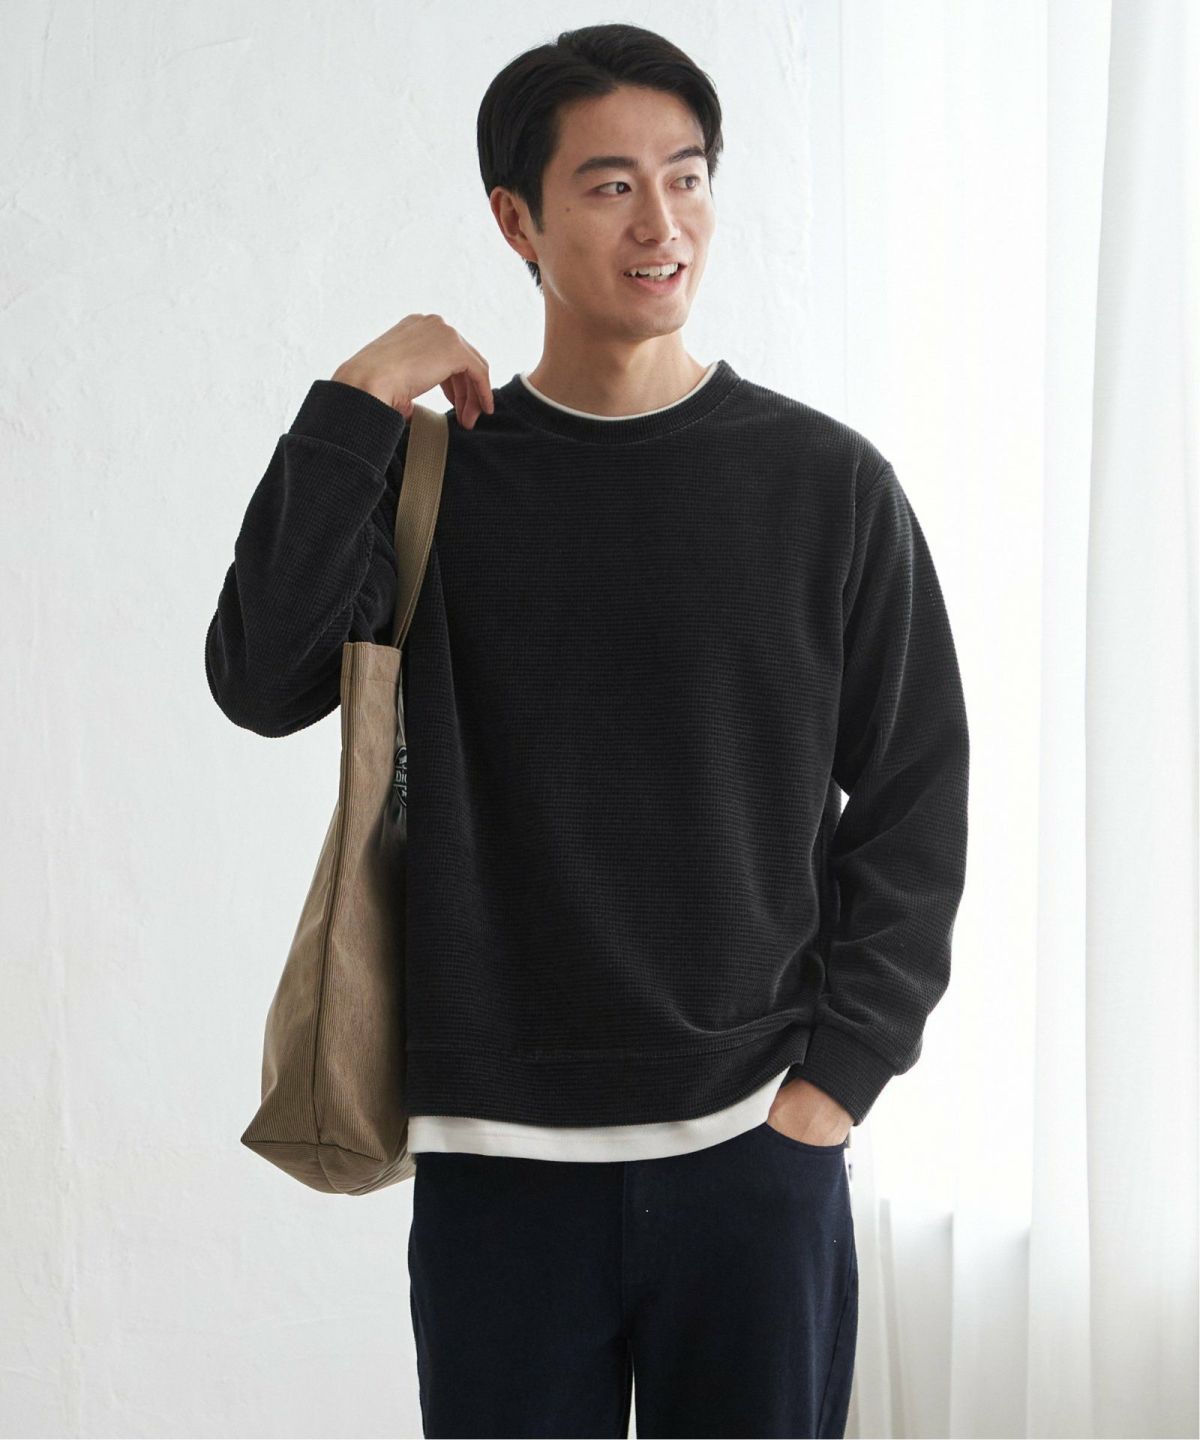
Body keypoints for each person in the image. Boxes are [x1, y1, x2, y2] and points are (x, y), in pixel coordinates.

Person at [206, 22, 970, 1439]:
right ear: (518, 220)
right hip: (499, 1168)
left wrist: (836, 1083)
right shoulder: (438, 484)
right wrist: (357, 402)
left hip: (754, 1152)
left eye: (687, 176)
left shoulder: (826, 486)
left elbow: (916, 798)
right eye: (612, 185)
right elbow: (260, 678)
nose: (661, 223)